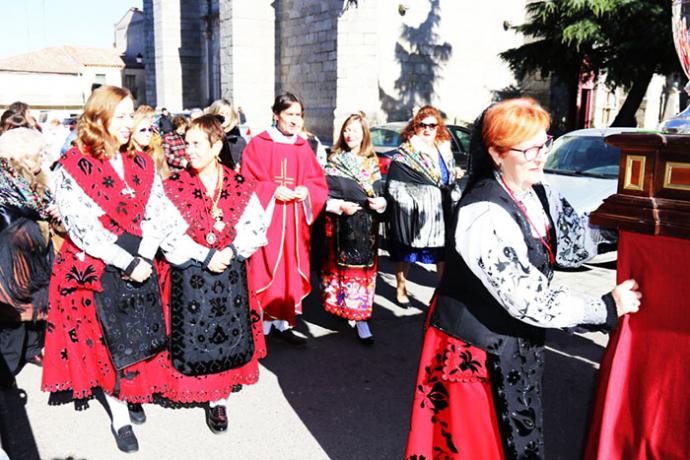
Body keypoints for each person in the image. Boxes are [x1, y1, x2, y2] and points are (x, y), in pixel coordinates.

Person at [404, 98, 642, 460]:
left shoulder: (536, 191)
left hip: (513, 341)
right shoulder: (482, 211)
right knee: (479, 446)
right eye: (528, 148)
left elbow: (573, 239)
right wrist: (605, 307)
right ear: (497, 154)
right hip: (475, 350)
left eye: (544, 143)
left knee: (516, 436)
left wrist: (624, 225)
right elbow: (527, 297)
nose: (540, 155)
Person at [41, 86, 212, 453]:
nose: (128, 123)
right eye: (120, 115)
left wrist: (146, 254)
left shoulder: (141, 163)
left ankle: (132, 394)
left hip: (140, 261)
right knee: (107, 343)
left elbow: (159, 212)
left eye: (130, 114)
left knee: (138, 335)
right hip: (100, 266)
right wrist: (127, 261)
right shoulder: (72, 166)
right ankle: (118, 414)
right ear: (98, 119)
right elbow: (83, 226)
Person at [155, 115, 268, 433]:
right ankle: (190, 387)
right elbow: (167, 234)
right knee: (190, 334)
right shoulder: (174, 186)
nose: (188, 150)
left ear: (216, 145)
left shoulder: (238, 184)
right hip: (189, 275)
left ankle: (219, 401)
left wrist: (230, 252)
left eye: (196, 144)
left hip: (229, 274)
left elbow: (256, 227)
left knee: (224, 337)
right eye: (186, 142)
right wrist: (205, 255)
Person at [240, 93, 328, 347]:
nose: (295, 120)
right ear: (276, 115)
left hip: (296, 221)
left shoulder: (303, 146)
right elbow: (246, 181)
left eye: (298, 115)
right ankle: (260, 327)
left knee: (290, 270)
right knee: (266, 268)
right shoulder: (258, 144)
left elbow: (318, 182)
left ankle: (284, 323)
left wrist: (307, 192)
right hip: (269, 219)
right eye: (289, 114)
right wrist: (272, 190)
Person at [320, 113, 385, 344]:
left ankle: (361, 318)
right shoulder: (334, 160)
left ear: (364, 134)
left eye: (356, 130)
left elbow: (381, 194)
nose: (350, 135)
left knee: (362, 273)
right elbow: (323, 195)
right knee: (340, 270)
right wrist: (338, 206)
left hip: (366, 229)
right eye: (347, 130)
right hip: (339, 226)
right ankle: (341, 307)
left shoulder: (372, 162)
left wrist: (381, 203)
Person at [386, 105, 459, 308]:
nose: (427, 129)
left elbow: (448, 178)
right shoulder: (405, 154)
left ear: (439, 128)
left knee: (443, 254)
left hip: (442, 212)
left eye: (432, 125)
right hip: (415, 215)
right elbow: (395, 186)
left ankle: (442, 295)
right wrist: (415, 203)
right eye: (422, 125)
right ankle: (401, 287)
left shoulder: (444, 150)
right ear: (414, 127)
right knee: (406, 252)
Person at [0, 128, 55, 376]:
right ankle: (6, 374)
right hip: (10, 259)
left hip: (33, 256)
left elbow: (45, 209)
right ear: (23, 155)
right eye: (39, 153)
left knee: (33, 313)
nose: (43, 158)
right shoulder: (6, 180)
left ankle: (30, 350)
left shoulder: (36, 180)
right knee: (12, 320)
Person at [129, 105, 170, 179]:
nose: (148, 134)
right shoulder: (125, 156)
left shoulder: (156, 151)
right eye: (143, 130)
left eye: (149, 130)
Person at [205, 99, 246, 171]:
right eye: (221, 113)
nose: (224, 117)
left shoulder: (238, 140)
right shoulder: (205, 136)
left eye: (227, 114)